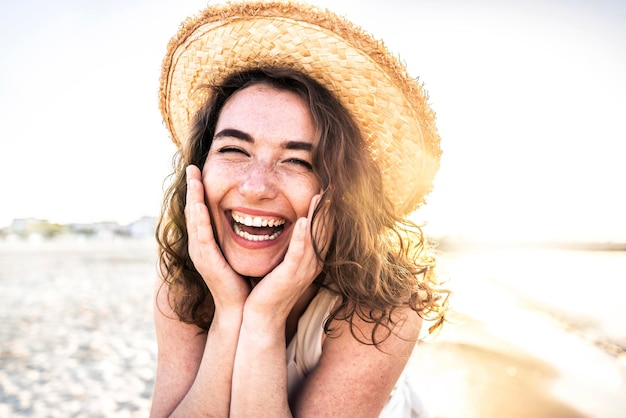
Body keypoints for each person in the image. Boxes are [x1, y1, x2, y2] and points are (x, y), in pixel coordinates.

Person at [151, 2, 448, 417]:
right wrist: (229, 314)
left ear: (341, 189)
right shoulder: (186, 277)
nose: (255, 187)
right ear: (198, 169)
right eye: (234, 149)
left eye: (298, 161)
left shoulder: (385, 307)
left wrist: (265, 319)